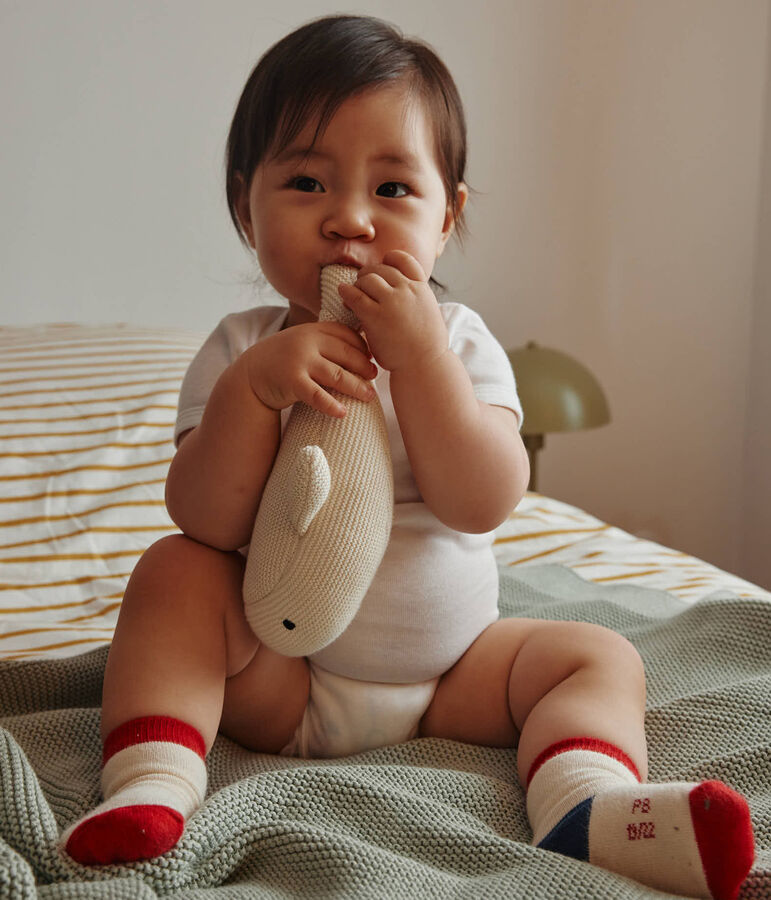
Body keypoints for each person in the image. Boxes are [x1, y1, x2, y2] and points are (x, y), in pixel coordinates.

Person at [61, 15, 754, 898]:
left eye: (392, 189)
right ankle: (152, 781)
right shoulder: (242, 348)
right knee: (171, 575)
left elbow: (483, 500)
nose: (349, 218)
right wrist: (253, 393)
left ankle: (585, 802)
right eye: (307, 181)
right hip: (283, 679)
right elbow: (205, 519)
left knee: (597, 656)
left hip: (454, 676)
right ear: (247, 207)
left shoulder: (459, 343)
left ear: (447, 217)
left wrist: (421, 363)